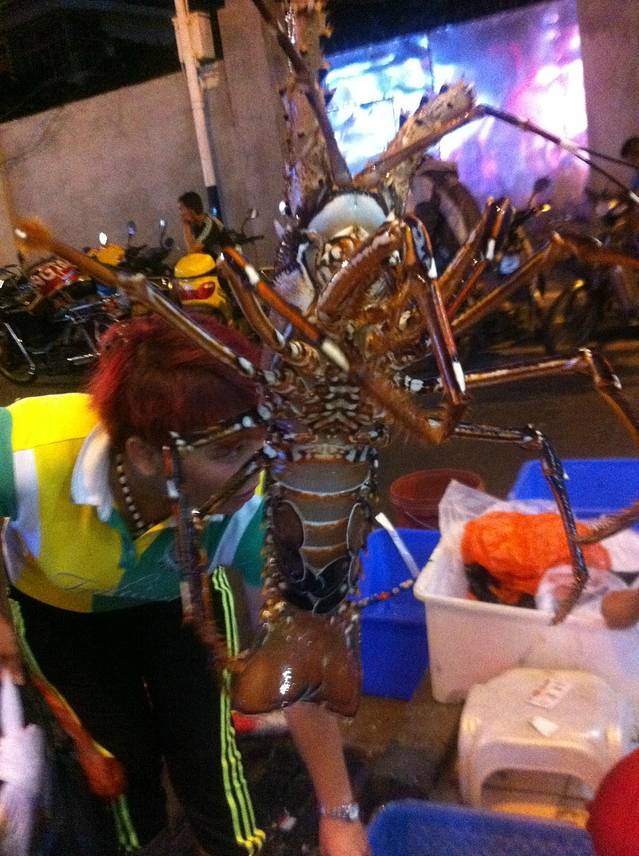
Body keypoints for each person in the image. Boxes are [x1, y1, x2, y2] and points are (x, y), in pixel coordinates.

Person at [0, 314, 370, 856]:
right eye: (227, 452)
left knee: (205, 747)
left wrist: (340, 814)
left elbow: (298, 667)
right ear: (146, 455)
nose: (258, 470)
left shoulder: (260, 512)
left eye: (264, 442)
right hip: (62, 614)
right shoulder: (27, 453)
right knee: (119, 763)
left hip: (184, 599)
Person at [179, 191, 228, 258]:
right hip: (212, 259)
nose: (180, 213)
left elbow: (192, 250)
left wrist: (186, 225)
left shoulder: (209, 224)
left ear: (191, 209)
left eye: (181, 209)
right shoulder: (196, 224)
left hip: (228, 259)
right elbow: (193, 250)